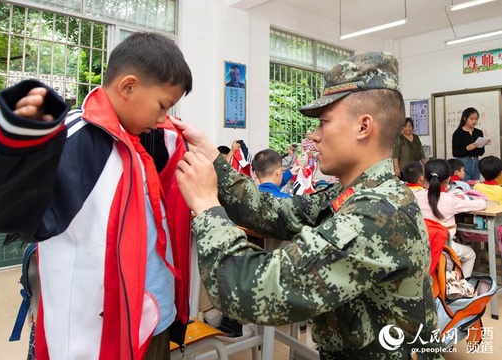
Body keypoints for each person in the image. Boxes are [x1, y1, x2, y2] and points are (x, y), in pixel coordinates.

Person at [174, 52, 442, 358]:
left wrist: (208, 209)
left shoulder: (377, 213)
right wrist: (212, 158)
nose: (313, 137)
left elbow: (252, 289)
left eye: (323, 123)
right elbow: (275, 211)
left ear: (363, 126)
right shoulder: (352, 193)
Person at [0, 32, 193, 359]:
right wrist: (14, 139)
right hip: (101, 334)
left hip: (153, 315)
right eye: (162, 105)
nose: (161, 120)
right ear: (128, 87)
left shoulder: (141, 142)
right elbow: (6, 206)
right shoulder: (75, 139)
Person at [413, 159, 487, 277]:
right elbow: (482, 204)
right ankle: (461, 286)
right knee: (470, 255)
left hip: (422, 246)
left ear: (424, 178)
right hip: (444, 246)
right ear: (448, 179)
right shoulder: (450, 199)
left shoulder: (416, 196)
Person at [452, 107, 486, 181]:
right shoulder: (458, 133)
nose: (474, 121)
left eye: (476, 119)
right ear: (465, 118)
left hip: (476, 162)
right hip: (463, 163)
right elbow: (455, 153)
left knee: (475, 186)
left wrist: (482, 144)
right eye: (471, 119)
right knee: (464, 186)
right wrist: (467, 148)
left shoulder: (478, 132)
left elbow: (481, 153)